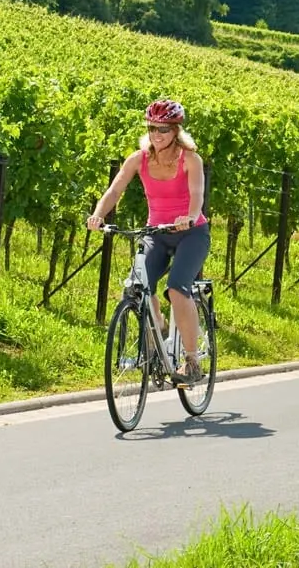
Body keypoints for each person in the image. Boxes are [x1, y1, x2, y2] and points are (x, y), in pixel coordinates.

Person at [88, 98, 209, 387]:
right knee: (136, 286)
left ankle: (191, 361)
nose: (157, 134)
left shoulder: (191, 159)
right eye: (153, 128)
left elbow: (197, 196)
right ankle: (159, 329)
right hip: (156, 232)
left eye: (164, 129)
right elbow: (115, 189)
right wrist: (97, 215)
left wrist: (189, 217)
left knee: (177, 289)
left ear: (176, 131)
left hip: (191, 233)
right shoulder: (138, 159)